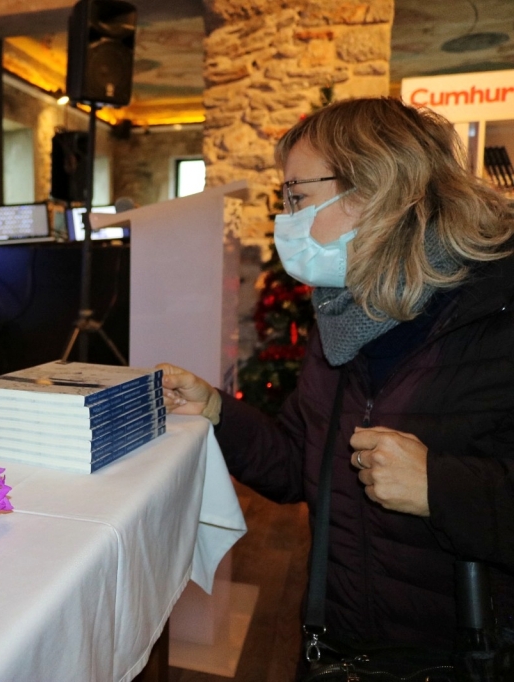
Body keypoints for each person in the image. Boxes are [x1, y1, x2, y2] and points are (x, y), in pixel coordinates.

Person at [161, 98, 514, 658]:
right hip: (344, 647)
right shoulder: (344, 317)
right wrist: (215, 412)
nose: (285, 219)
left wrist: (441, 488)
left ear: (376, 187)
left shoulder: (497, 314)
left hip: (465, 656)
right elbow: (297, 465)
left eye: (297, 197)